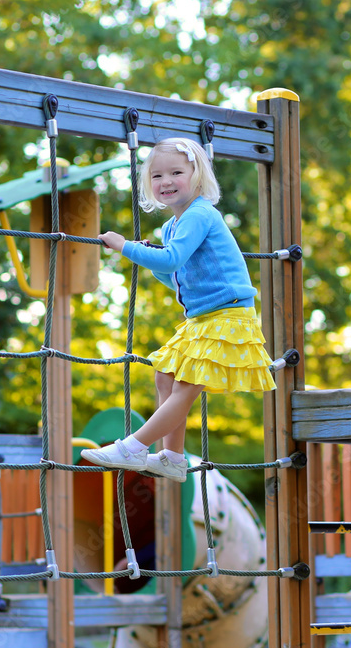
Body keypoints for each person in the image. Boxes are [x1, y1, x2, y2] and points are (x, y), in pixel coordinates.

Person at [81, 137, 276, 482]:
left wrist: (124, 247)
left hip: (228, 314)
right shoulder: (173, 225)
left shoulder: (200, 214)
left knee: (187, 383)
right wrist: (154, 261)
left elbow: (172, 258)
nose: (166, 181)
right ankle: (172, 457)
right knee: (164, 375)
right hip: (204, 316)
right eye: (157, 176)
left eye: (176, 172)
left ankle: (133, 447)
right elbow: (177, 276)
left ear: (197, 175)